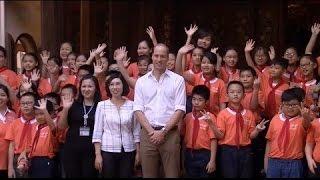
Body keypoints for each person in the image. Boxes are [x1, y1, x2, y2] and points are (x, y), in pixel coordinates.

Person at [134, 43, 186, 178]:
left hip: (170, 134)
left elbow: (180, 109)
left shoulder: (177, 80)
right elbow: (138, 110)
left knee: (172, 175)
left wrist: (163, 132)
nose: (159, 59)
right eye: (156, 55)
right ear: (152, 56)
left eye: (163, 56)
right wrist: (152, 132)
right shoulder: (142, 81)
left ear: (168, 58)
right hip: (147, 134)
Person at [210, 81, 267, 178]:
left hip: (245, 151)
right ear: (227, 95)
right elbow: (220, 136)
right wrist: (211, 124)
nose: (235, 94)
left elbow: (251, 136)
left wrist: (257, 130)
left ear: (244, 95)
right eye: (232, 92)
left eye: (238, 92)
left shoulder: (249, 114)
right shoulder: (223, 114)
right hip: (227, 151)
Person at [93, 72, 140, 178]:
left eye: (118, 84)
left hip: (128, 149)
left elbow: (136, 130)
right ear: (108, 88)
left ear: (123, 85)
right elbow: (97, 132)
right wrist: (98, 155)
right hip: (107, 150)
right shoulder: (102, 105)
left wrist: (138, 152)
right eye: (112, 84)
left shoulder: (132, 105)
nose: (115, 87)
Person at [58, 75, 101, 178]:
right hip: (72, 150)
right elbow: (61, 126)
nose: (86, 89)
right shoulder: (73, 104)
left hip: (91, 151)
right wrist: (66, 108)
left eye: (90, 86)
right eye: (83, 86)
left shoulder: (101, 106)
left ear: (96, 88)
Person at [264, 88, 312, 178]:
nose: (290, 108)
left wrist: (306, 117)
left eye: (294, 105)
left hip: (294, 163)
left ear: (300, 105)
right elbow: (269, 141)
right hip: (274, 161)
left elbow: (308, 126)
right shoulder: (275, 119)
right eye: (287, 104)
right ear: (282, 104)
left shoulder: (301, 120)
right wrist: (266, 162)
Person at [180, 85, 217, 177]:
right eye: (194, 99)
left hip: (204, 154)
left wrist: (212, 161)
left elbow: (213, 140)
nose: (196, 102)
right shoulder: (187, 117)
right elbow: (184, 139)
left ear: (206, 102)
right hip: (189, 154)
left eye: (200, 100)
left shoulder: (210, 117)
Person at [19, 99, 56, 178]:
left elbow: (53, 128)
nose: (39, 117)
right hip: (34, 161)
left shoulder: (52, 125)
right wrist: (24, 152)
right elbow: (32, 146)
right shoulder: (35, 126)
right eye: (36, 114)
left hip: (46, 161)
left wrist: (45, 110)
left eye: (42, 113)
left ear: (51, 113)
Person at [5, 92, 39, 178]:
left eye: (29, 103)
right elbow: (11, 146)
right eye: (23, 103)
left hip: (35, 158)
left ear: (35, 104)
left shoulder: (40, 122)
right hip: (17, 158)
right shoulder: (14, 123)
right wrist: (10, 167)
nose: (25, 106)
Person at [0, 84, 17, 178]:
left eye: (2, 95)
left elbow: (14, 140)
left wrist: (11, 166)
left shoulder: (13, 115)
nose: (0, 98)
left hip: (10, 162)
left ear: (7, 97)